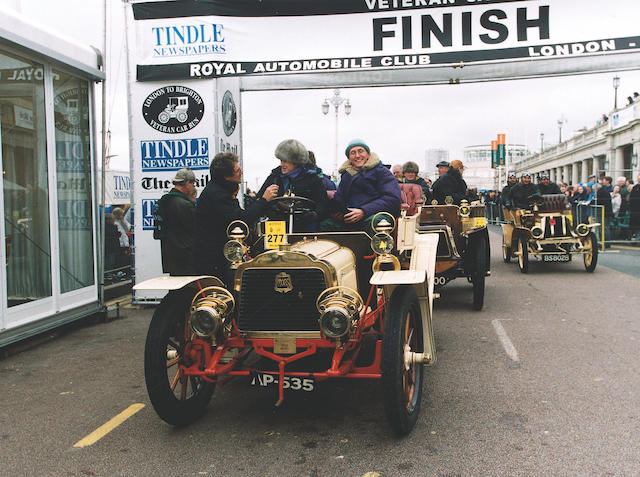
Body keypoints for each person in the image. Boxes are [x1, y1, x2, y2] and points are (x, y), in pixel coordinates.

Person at [193, 152, 278, 279]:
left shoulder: (218, 190)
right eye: (238, 170)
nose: (241, 173)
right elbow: (240, 221)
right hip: (213, 258)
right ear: (226, 176)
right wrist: (264, 200)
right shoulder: (218, 195)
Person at [320, 138, 401, 233]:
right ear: (349, 158)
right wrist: (336, 211)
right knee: (326, 224)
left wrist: (363, 211)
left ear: (368, 155)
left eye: (360, 151)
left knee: (375, 223)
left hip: (375, 214)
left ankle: (376, 248)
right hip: (351, 216)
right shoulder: (347, 175)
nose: (357, 156)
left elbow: (392, 199)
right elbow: (340, 197)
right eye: (353, 153)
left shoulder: (382, 172)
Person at [257, 139, 328, 233]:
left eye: (285, 161)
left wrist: (314, 215)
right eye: (281, 160)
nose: (282, 164)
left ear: (296, 161)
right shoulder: (275, 176)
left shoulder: (311, 177)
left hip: (304, 223)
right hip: (279, 222)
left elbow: (322, 203)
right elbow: (260, 197)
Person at [158, 168, 197, 276]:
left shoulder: (165, 200)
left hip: (170, 254)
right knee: (188, 290)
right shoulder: (184, 204)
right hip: (186, 256)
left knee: (177, 288)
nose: (193, 187)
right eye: (193, 184)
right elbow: (195, 230)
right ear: (188, 183)